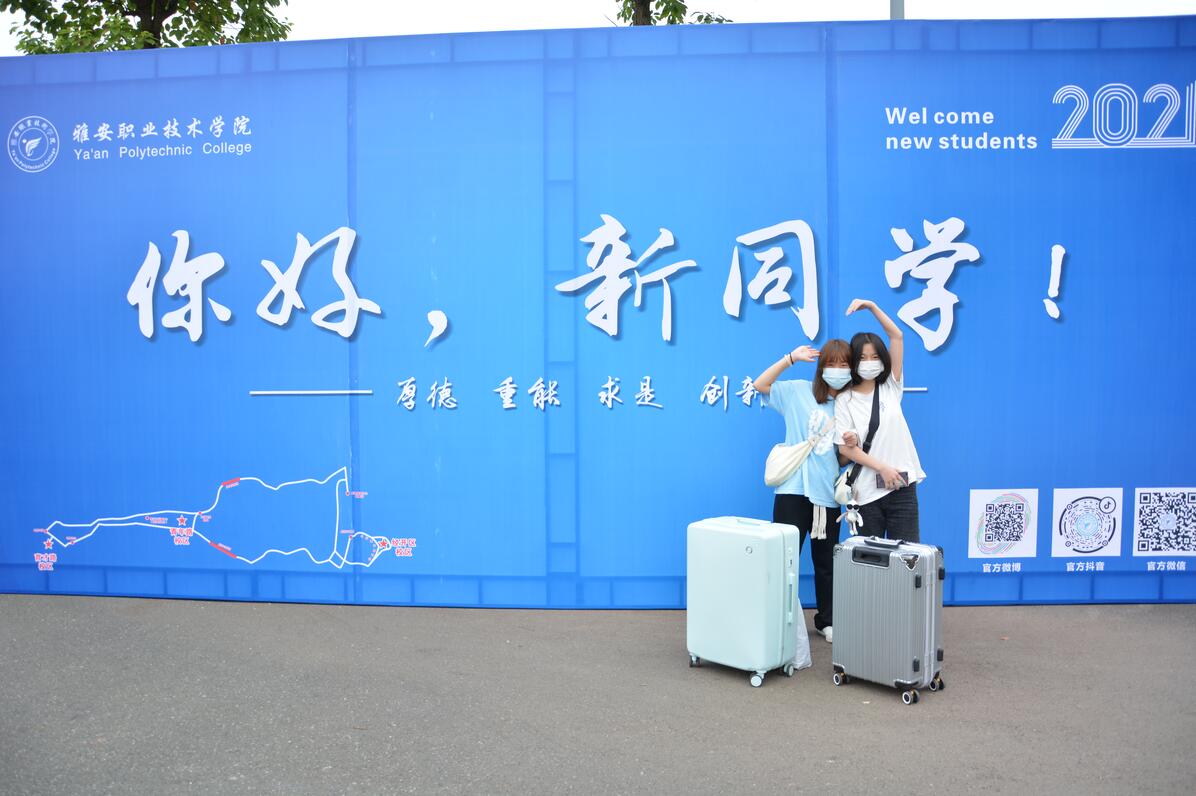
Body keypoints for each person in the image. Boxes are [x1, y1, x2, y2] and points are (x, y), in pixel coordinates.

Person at [754, 338, 854, 643]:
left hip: (825, 494)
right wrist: (791, 358)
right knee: (784, 560)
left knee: (826, 563)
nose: (837, 370)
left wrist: (850, 449)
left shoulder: (850, 407)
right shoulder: (798, 390)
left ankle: (827, 620)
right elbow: (760, 384)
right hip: (792, 491)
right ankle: (778, 617)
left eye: (844, 364)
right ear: (821, 367)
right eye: (831, 363)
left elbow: (841, 457)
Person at [834, 299, 925, 542]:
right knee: (871, 561)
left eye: (875, 357)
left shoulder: (890, 386)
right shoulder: (844, 399)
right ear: (854, 361)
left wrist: (872, 307)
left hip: (901, 487)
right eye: (863, 357)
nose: (869, 362)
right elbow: (845, 449)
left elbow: (897, 336)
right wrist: (882, 468)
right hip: (866, 494)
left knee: (907, 556)